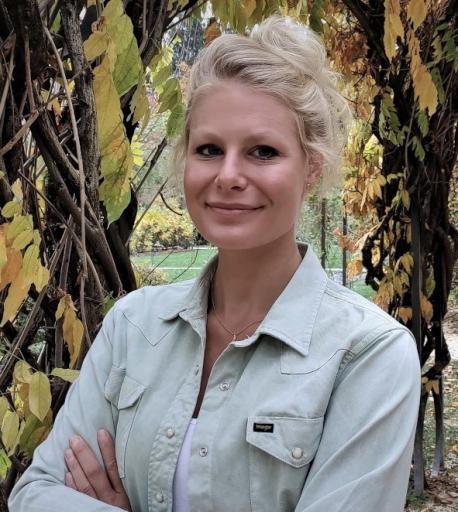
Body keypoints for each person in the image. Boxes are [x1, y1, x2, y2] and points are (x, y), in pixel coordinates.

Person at [8, 15, 421, 512]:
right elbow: (36, 493)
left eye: (262, 152)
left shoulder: (368, 356)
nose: (228, 175)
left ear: (311, 167)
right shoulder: (133, 327)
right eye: (209, 149)